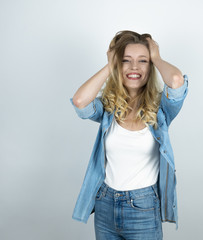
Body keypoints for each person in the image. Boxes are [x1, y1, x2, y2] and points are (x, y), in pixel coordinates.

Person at [70, 30, 188, 239]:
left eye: (143, 61)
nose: (134, 67)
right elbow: (80, 102)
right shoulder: (108, 109)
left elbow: (177, 81)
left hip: (143, 207)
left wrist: (157, 57)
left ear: (150, 66)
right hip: (105, 202)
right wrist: (110, 64)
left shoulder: (161, 109)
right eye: (126, 60)